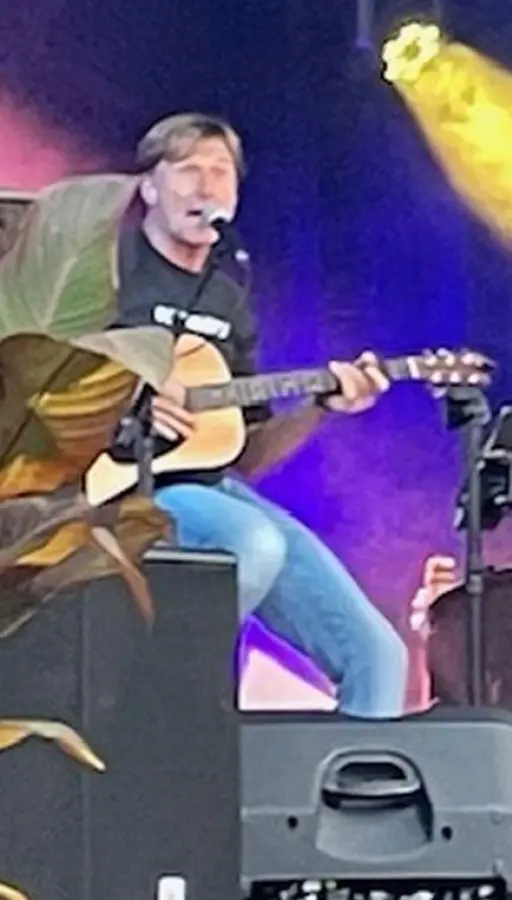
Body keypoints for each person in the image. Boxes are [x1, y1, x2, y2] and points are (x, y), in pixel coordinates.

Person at [112, 112, 408, 719]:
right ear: (147, 187)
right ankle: (165, 709)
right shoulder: (108, 268)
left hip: (206, 488)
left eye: (221, 173)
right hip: (114, 487)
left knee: (379, 655)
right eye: (188, 168)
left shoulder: (229, 298)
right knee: (251, 540)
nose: (206, 187)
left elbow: (245, 453)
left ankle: (352, 808)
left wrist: (321, 406)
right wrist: (127, 393)